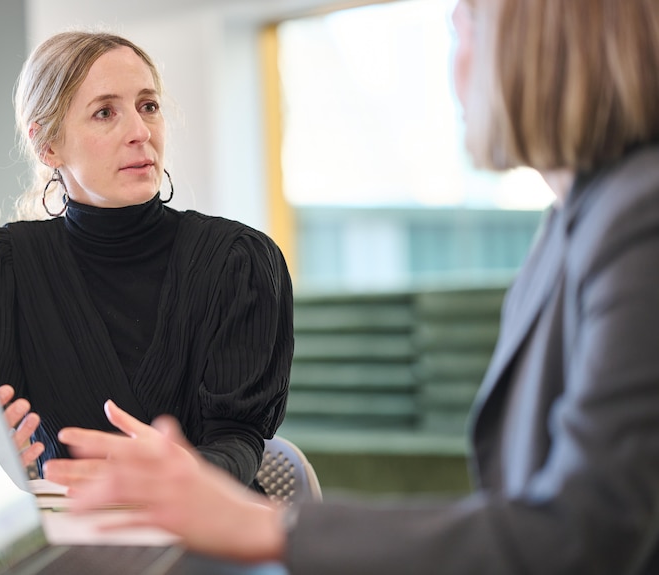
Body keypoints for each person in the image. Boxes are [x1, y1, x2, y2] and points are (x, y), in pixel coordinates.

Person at [43, 0, 659, 573]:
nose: (452, 66)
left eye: (462, 26)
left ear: (536, 41)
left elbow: (584, 532)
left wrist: (268, 526)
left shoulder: (639, 219)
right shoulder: (575, 223)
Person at [0, 31, 294, 492]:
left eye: (148, 106)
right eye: (105, 112)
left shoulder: (239, 261)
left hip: (203, 522)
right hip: (72, 526)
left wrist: (186, 472)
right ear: (48, 145)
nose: (140, 132)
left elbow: (239, 439)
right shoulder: (2, 268)